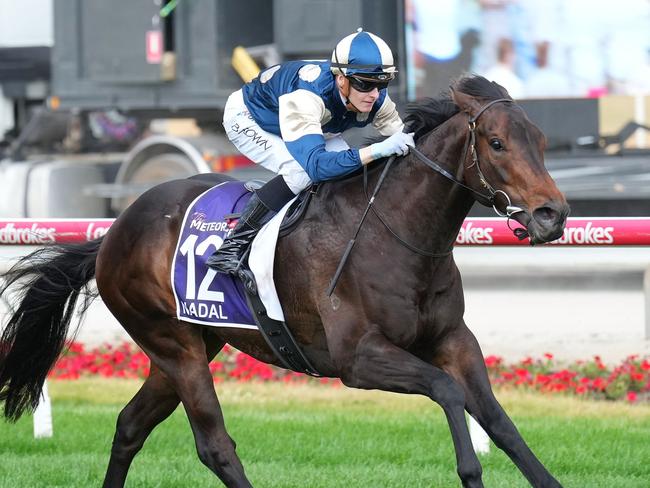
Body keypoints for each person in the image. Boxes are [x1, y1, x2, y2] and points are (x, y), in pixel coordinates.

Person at [207, 29, 414, 288]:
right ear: (341, 79)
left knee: (347, 169)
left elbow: (408, 141)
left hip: (307, 123)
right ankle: (232, 246)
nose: (374, 94)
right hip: (250, 118)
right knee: (301, 172)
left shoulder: (376, 99)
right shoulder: (307, 96)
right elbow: (316, 168)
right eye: (365, 84)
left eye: (382, 83)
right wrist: (378, 149)